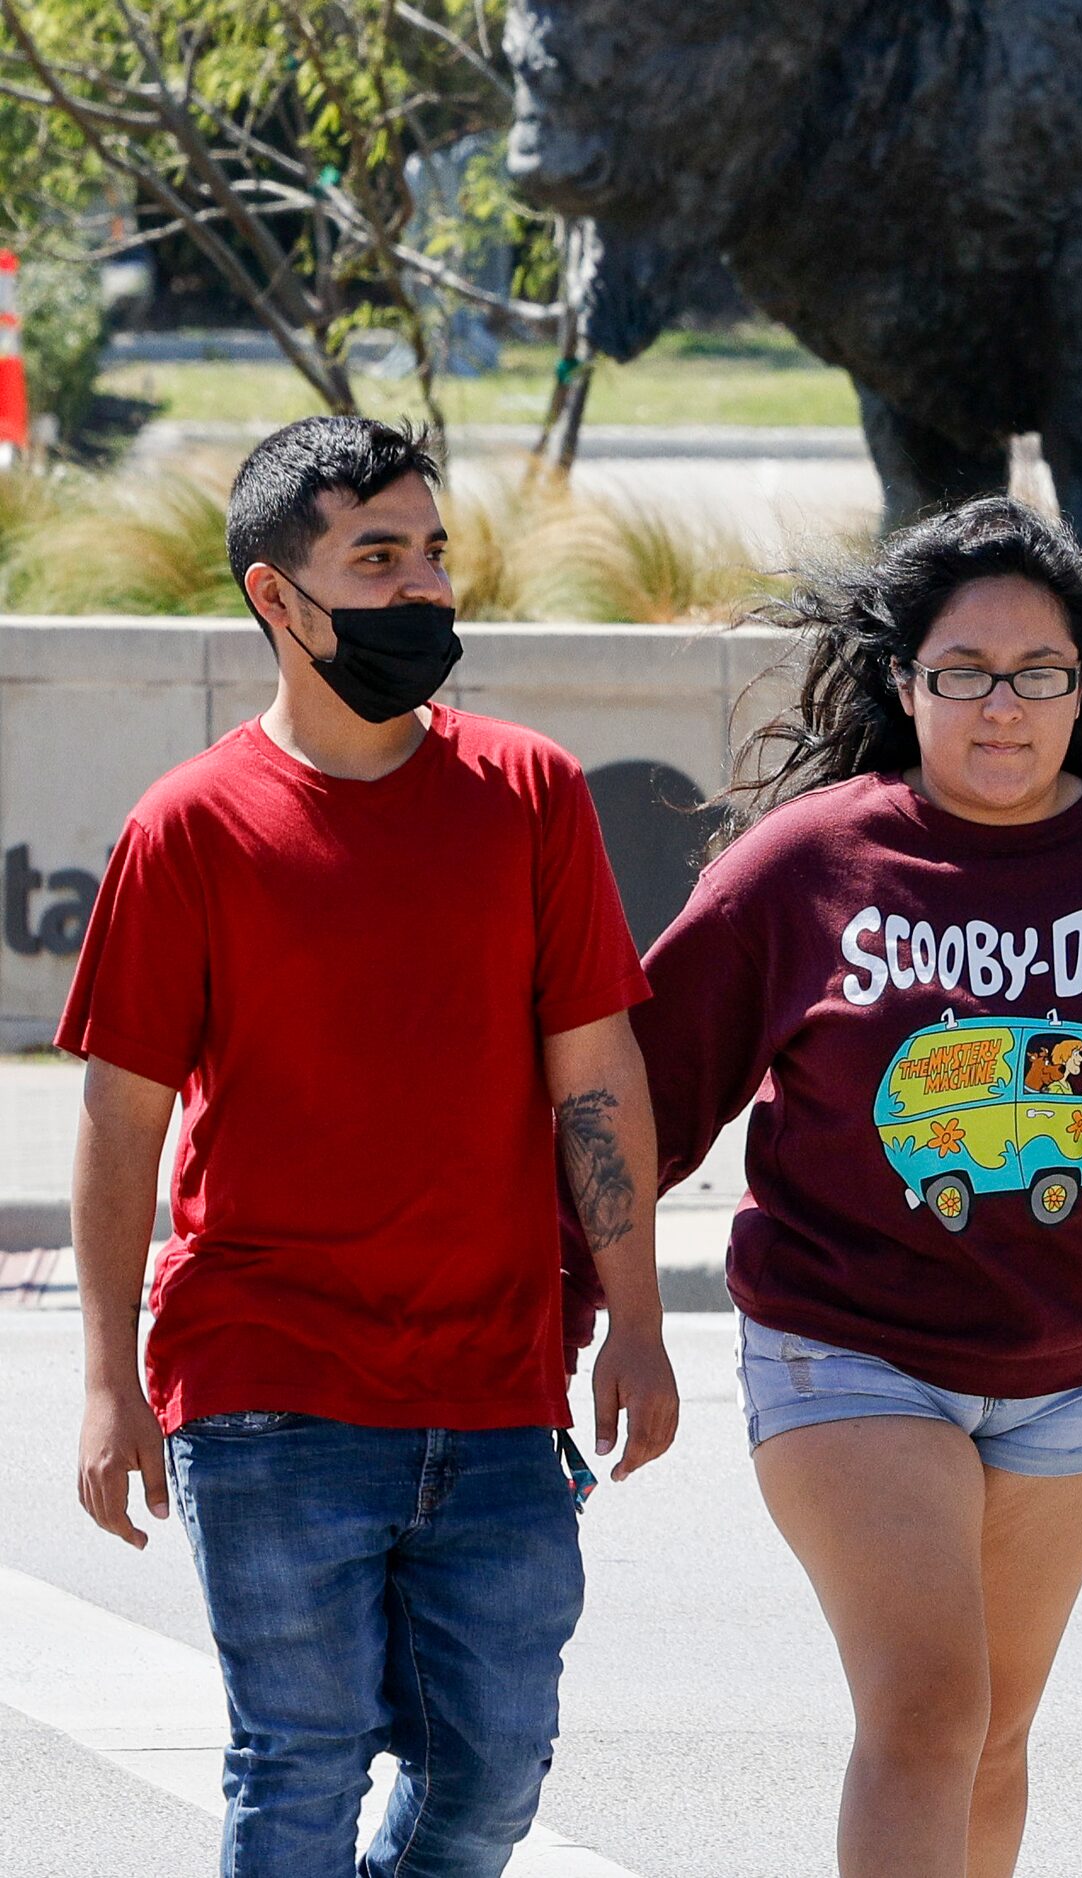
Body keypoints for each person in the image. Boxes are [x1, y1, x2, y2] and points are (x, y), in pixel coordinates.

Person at [622, 496, 1082, 1878]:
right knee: (929, 1703)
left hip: (1079, 1365)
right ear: (905, 681)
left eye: (1038, 674)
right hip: (849, 1347)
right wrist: (574, 1289)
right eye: (962, 673)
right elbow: (638, 1097)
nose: (1000, 708)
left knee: (990, 1734)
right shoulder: (807, 864)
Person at [62, 415, 679, 1878]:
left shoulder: (526, 794)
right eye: (378, 556)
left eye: (435, 551)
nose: (424, 587)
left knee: (492, 1775)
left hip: (496, 1383)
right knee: (299, 1764)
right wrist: (106, 1380)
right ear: (279, 597)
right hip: (265, 1382)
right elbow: (120, 1117)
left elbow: (595, 1073)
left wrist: (639, 1319)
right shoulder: (189, 830)